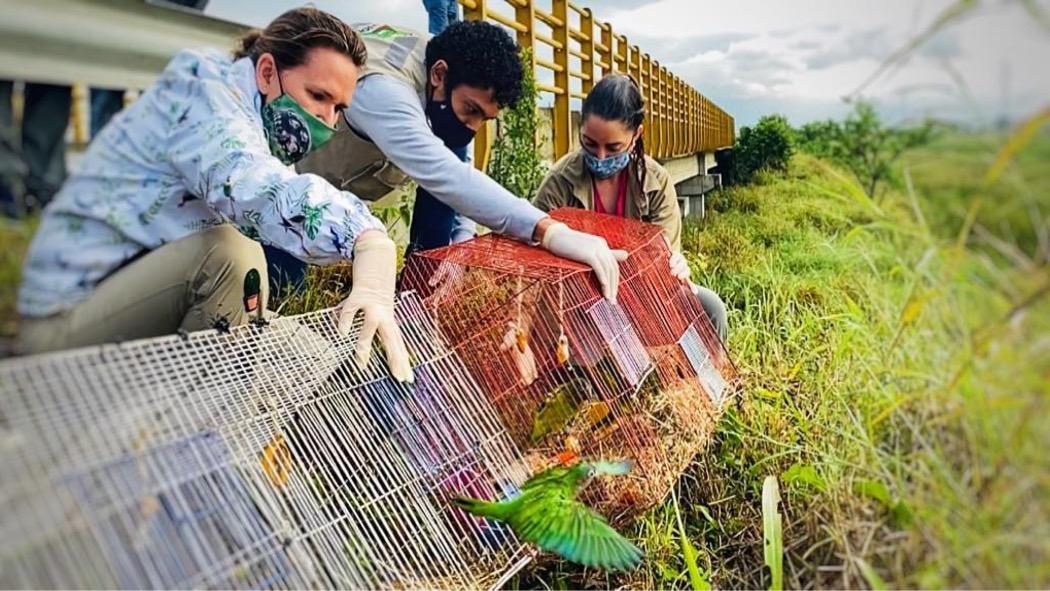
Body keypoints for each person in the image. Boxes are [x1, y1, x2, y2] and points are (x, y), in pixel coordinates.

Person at [16, 7, 413, 382]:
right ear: (267, 71)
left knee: (313, 361)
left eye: (339, 108)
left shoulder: (257, 119)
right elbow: (255, 187)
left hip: (129, 295)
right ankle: (170, 440)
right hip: (62, 323)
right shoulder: (204, 99)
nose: (327, 121)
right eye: (319, 97)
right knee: (230, 258)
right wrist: (366, 236)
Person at [296, 21, 627, 301]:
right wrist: (550, 230)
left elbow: (457, 174)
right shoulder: (383, 91)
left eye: (485, 118)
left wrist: (460, 246)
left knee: (443, 194)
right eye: (471, 111)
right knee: (282, 275)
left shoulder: (449, 66)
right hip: (291, 173)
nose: (473, 127)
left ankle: (419, 300)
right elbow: (446, 174)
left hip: (340, 176)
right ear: (439, 74)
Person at [533, 74, 728, 340]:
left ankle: (703, 381)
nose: (600, 157)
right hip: (578, 298)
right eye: (589, 144)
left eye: (613, 148)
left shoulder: (655, 181)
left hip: (643, 292)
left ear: (636, 135)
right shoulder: (560, 180)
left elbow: (663, 258)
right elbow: (533, 253)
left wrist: (675, 263)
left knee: (710, 308)